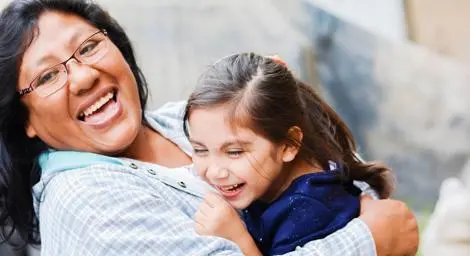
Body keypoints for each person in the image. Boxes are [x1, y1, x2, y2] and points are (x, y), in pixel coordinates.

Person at [0, 0, 418, 255]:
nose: (84, 76)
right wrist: (370, 240)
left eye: (88, 46)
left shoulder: (179, 119)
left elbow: (342, 169)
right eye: (48, 76)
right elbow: (379, 224)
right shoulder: (88, 206)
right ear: (26, 122)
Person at [184, 53, 394, 255]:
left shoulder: (308, 212)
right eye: (200, 150)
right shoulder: (281, 179)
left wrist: (238, 239)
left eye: (235, 152)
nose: (214, 172)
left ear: (288, 144)